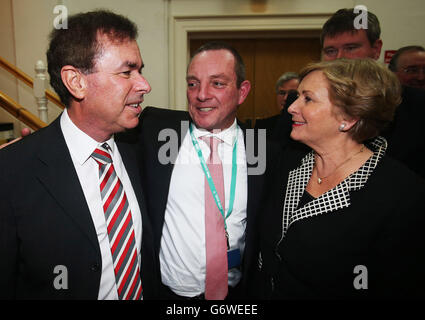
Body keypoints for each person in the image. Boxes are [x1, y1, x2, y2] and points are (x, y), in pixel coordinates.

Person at [0, 10, 158, 299]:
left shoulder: (148, 143)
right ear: (76, 81)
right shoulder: (12, 172)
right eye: (127, 72)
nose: (144, 85)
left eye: (141, 70)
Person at [253, 58, 425, 299]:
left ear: (349, 117)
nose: (292, 107)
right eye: (297, 96)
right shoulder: (288, 163)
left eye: (308, 99)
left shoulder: (402, 195)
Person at [129, 41, 266, 300]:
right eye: (193, 83)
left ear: (242, 91)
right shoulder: (155, 132)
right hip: (168, 294)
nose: (201, 94)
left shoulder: (264, 148)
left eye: (217, 83)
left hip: (237, 294)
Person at [320, 7, 425, 179]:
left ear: (376, 49)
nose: (340, 58)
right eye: (331, 51)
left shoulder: (417, 105)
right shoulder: (301, 104)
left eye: (351, 48)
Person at [254, 72, 299, 138]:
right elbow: (251, 147)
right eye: (282, 93)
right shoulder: (261, 125)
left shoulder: (307, 127)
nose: (285, 98)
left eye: (292, 93)